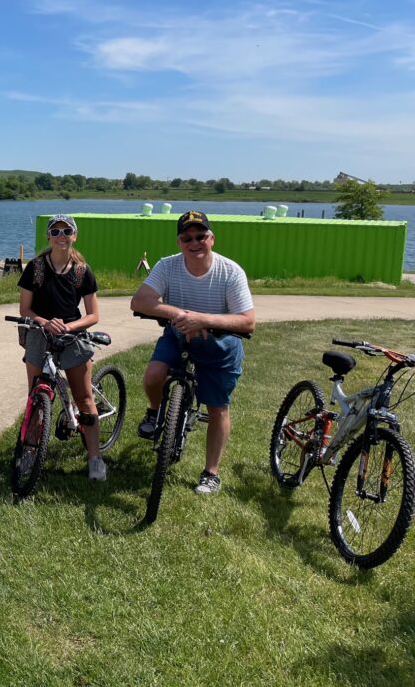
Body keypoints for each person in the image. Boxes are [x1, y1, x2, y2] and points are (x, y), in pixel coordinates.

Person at [130, 210, 255, 495]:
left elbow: (247, 321)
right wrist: (182, 315)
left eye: (201, 236)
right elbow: (140, 300)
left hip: (220, 346)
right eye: (187, 238)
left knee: (217, 408)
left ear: (211, 238)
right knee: (153, 375)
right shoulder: (167, 266)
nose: (194, 242)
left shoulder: (230, 271)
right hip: (178, 336)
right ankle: (153, 412)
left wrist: (205, 320)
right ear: (179, 242)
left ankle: (211, 472)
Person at [17, 215, 106, 481]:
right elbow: (25, 309)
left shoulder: (81, 271)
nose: (61, 235)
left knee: (84, 397)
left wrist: (69, 326)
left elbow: (93, 315)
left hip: (72, 334)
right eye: (55, 231)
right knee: (36, 398)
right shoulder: (35, 268)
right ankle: (30, 451)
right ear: (48, 237)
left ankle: (95, 457)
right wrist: (45, 322)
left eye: (67, 231)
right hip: (40, 333)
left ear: (74, 236)